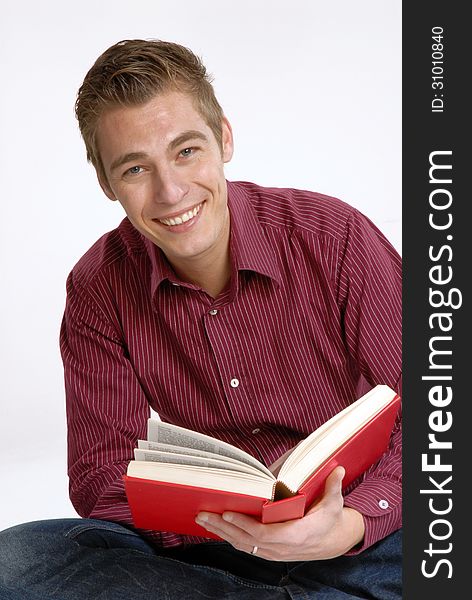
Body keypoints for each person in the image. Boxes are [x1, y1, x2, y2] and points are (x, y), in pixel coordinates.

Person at [0, 39, 402, 599]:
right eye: (136, 168)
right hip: (210, 545)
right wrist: (218, 522)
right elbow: (99, 472)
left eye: (186, 151)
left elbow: (441, 410)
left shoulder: (332, 238)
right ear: (106, 183)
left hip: (356, 533)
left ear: (225, 138)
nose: (170, 191)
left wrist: (353, 523)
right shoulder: (98, 286)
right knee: (15, 561)